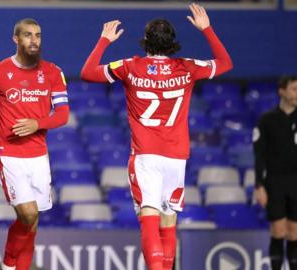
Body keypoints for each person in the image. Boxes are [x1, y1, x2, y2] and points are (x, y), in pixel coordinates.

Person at [80, 3, 233, 270]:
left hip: (146, 156)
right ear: (172, 43)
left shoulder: (130, 66)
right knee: (169, 222)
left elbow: (87, 72)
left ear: (145, 41)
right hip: (176, 156)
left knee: (149, 219)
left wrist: (104, 40)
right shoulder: (187, 67)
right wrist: (207, 29)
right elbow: (226, 63)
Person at [0, 18, 70, 270]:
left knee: (32, 222)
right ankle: (8, 265)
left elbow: (63, 115)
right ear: (16, 39)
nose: (34, 40)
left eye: (38, 35)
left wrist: (37, 123)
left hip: (39, 156)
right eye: (28, 35)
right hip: (9, 154)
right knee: (29, 214)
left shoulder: (53, 72)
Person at [253, 76, 297, 270]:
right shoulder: (267, 120)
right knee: (278, 231)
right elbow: (259, 155)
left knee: (295, 232)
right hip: (275, 182)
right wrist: (259, 185)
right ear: (282, 91)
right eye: (294, 89)